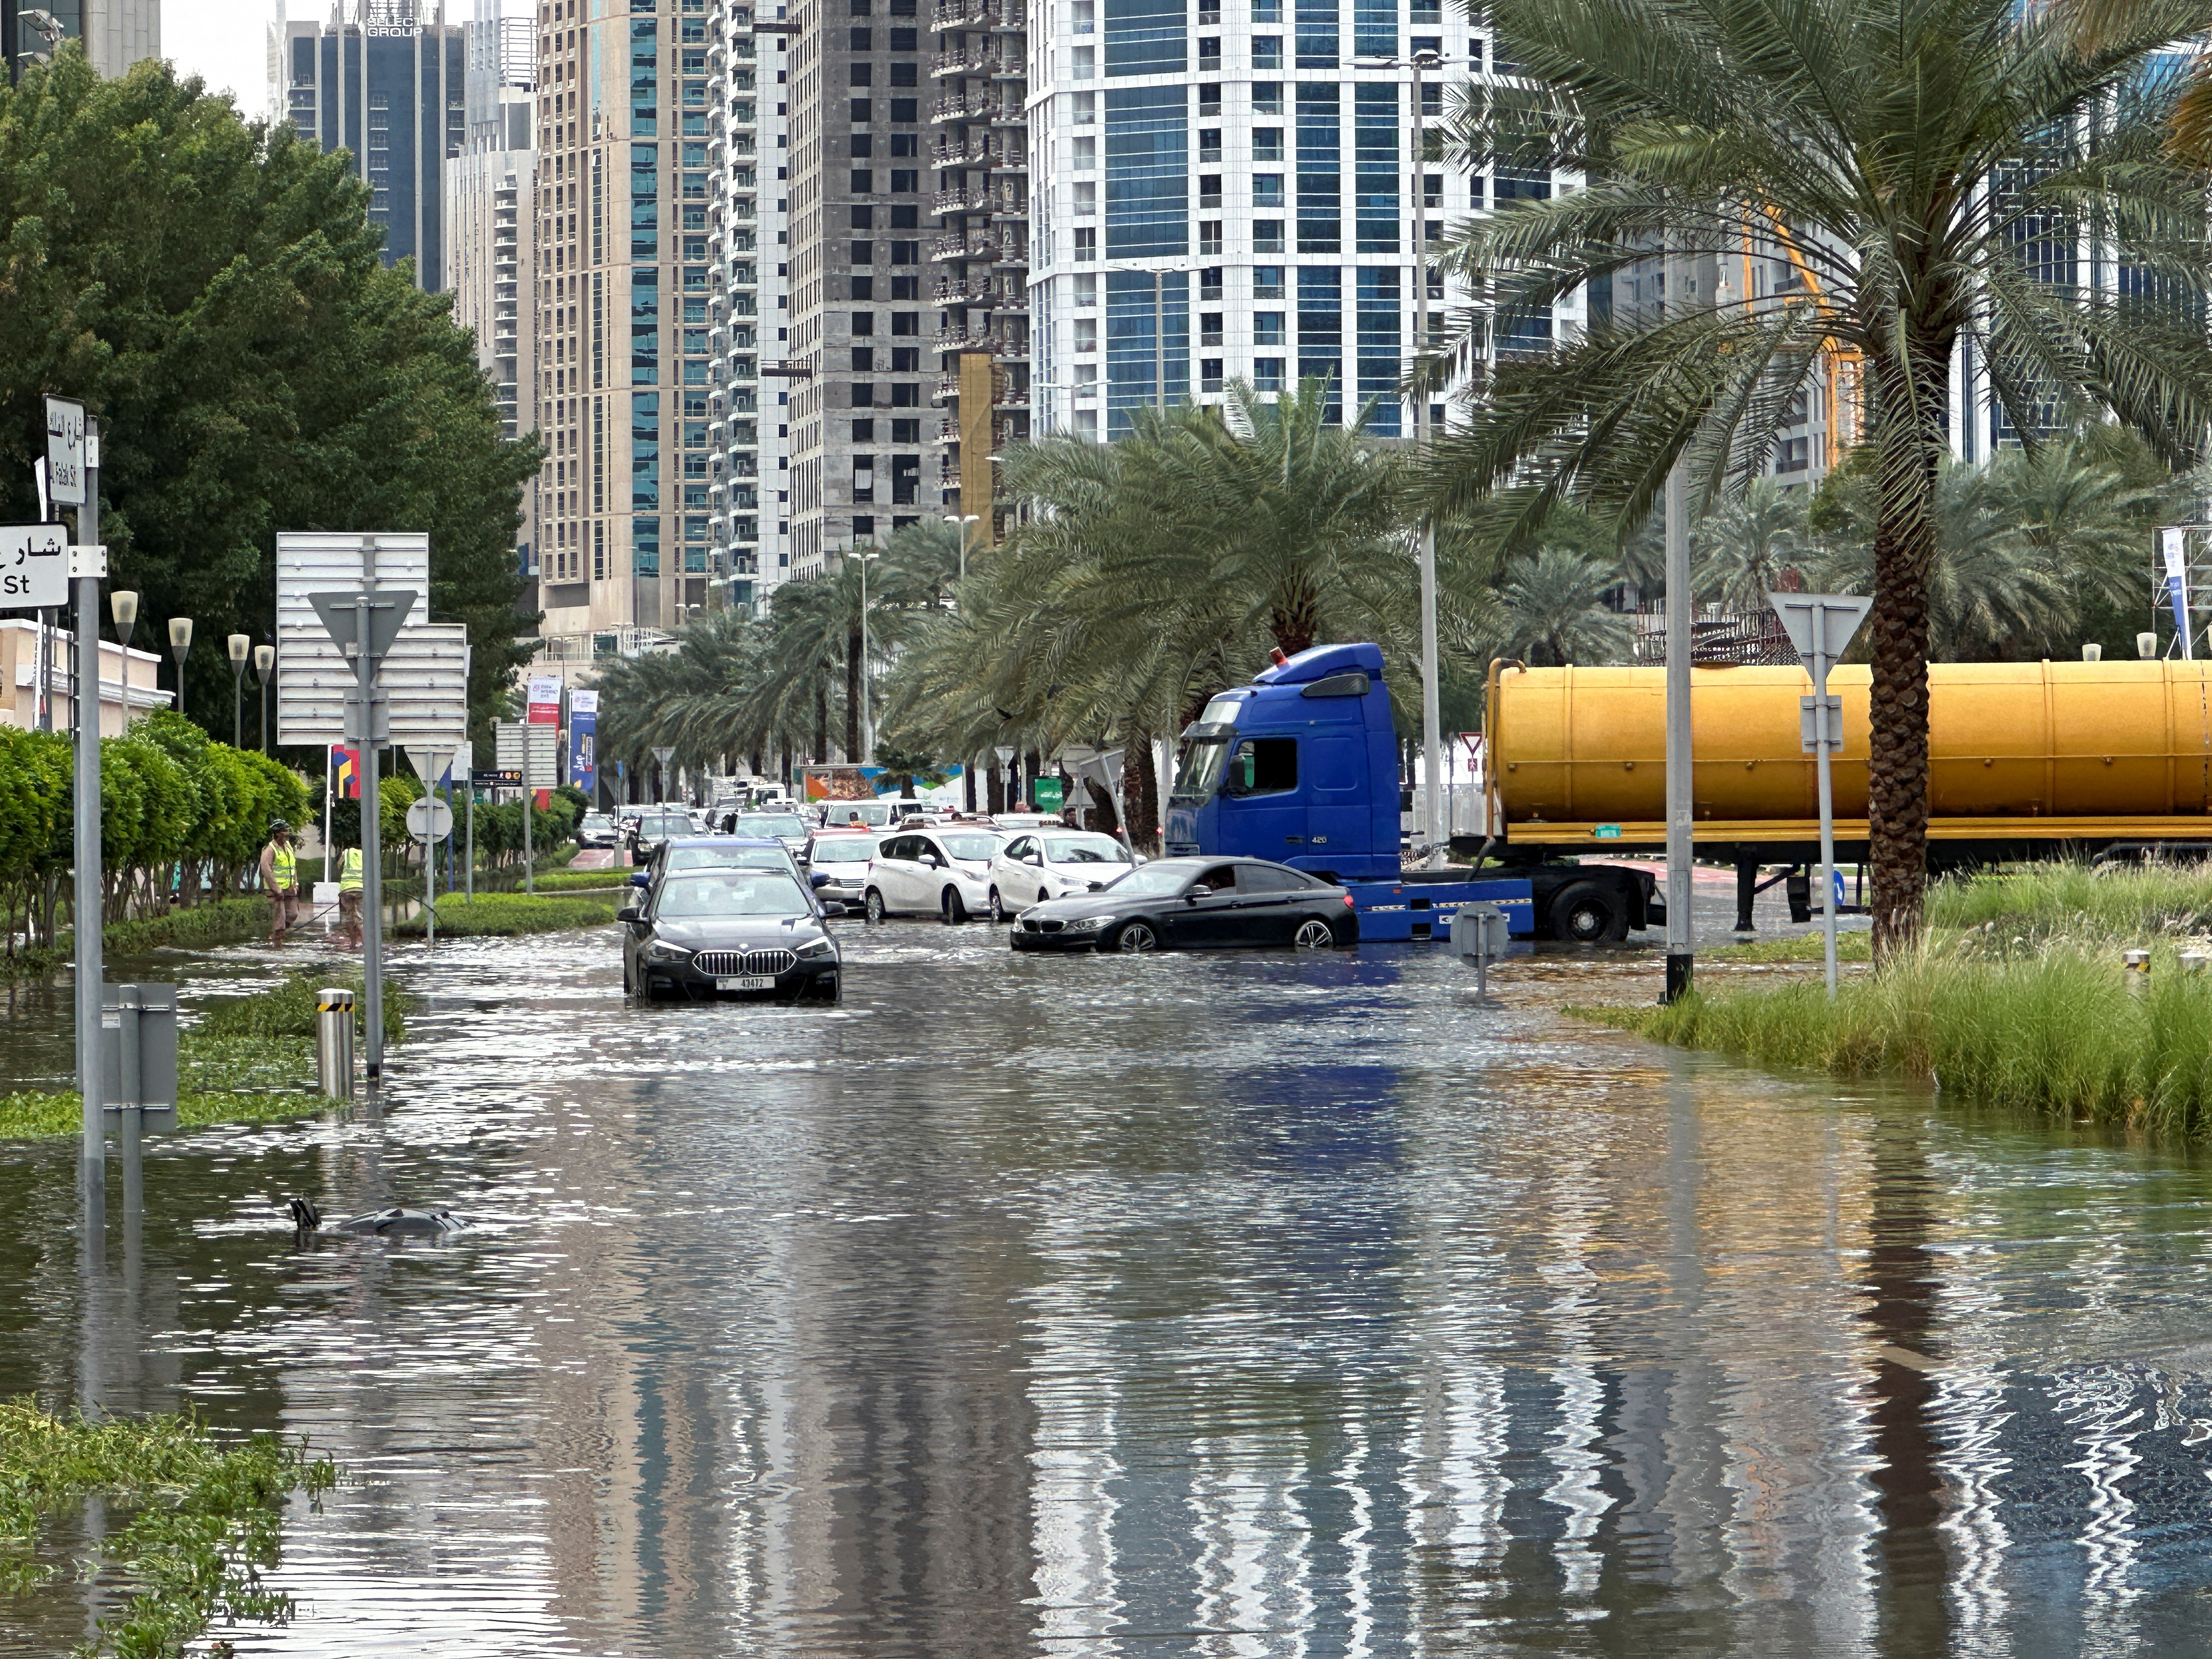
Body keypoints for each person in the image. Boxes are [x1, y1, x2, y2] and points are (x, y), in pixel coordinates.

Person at [259, 821, 301, 947]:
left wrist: (295, 883)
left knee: (293, 914)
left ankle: (280, 934)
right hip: (276, 891)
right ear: (277, 834)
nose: (286, 835)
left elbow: (292, 867)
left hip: (289, 888)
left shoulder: (288, 847)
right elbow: (267, 871)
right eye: (284, 833)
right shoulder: (270, 850)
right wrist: (276, 889)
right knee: (280, 918)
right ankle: (276, 941)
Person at [336, 839, 365, 950]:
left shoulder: (347, 853)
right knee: (360, 918)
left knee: (349, 917)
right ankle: (364, 943)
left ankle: (353, 943)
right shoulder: (367, 854)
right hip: (361, 889)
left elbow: (339, 866)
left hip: (346, 890)